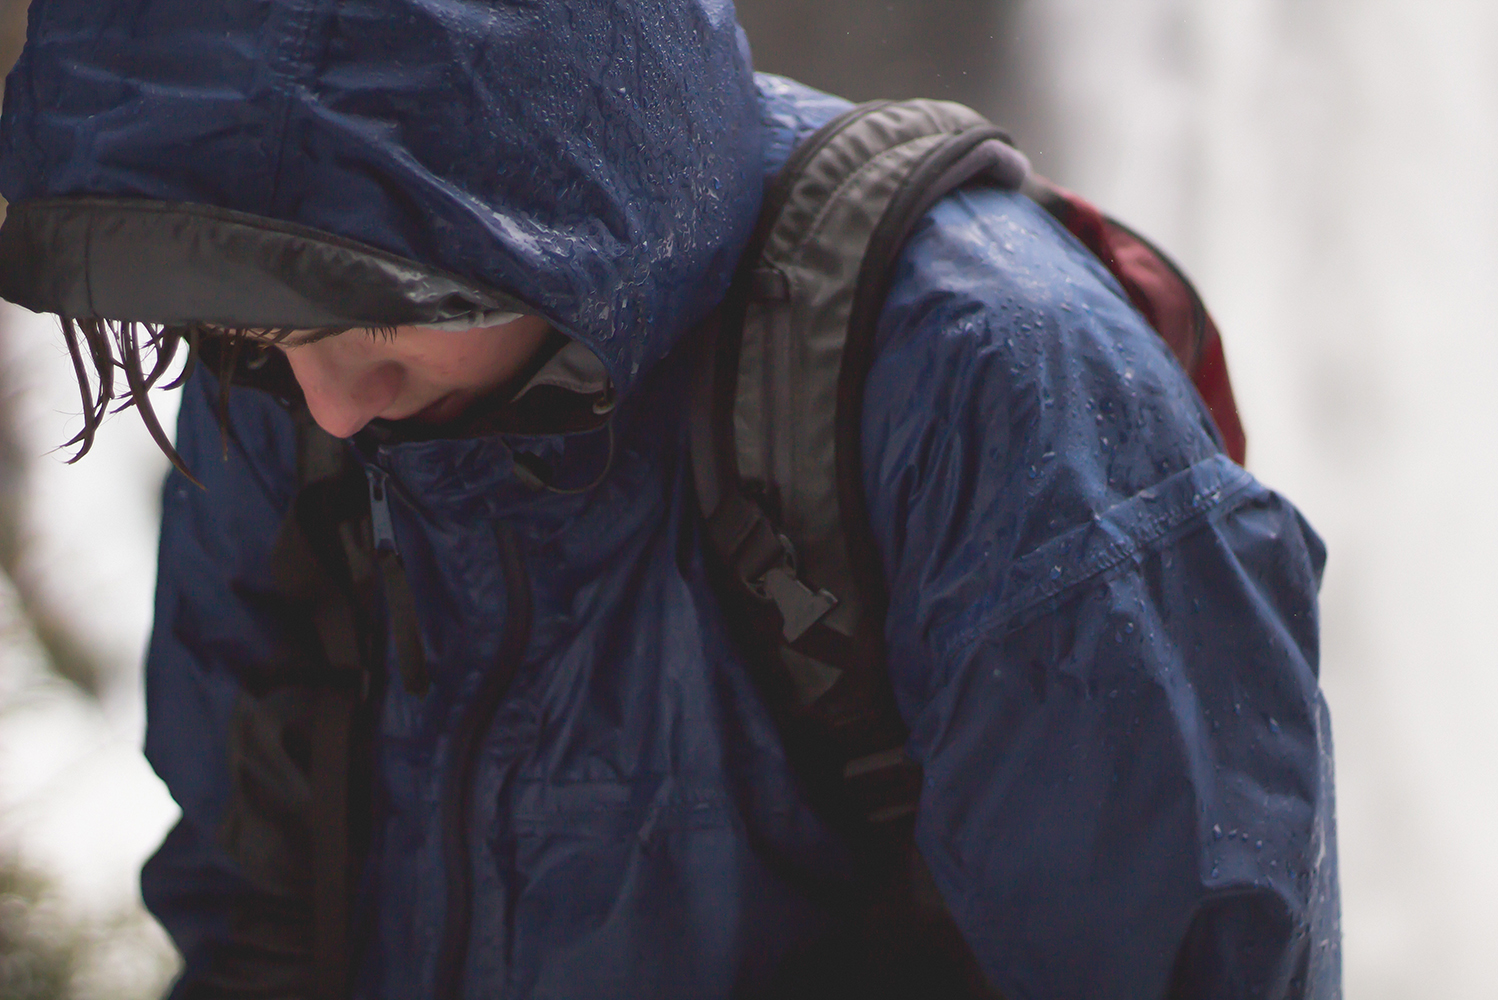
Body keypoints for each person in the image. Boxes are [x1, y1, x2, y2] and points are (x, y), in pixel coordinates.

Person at [0, 1, 1340, 997]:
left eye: (382, 309)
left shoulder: (988, 380)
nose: (338, 403)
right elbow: (256, 913)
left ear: (540, 166)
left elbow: (1176, 954)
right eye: (247, 339)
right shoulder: (281, 372)